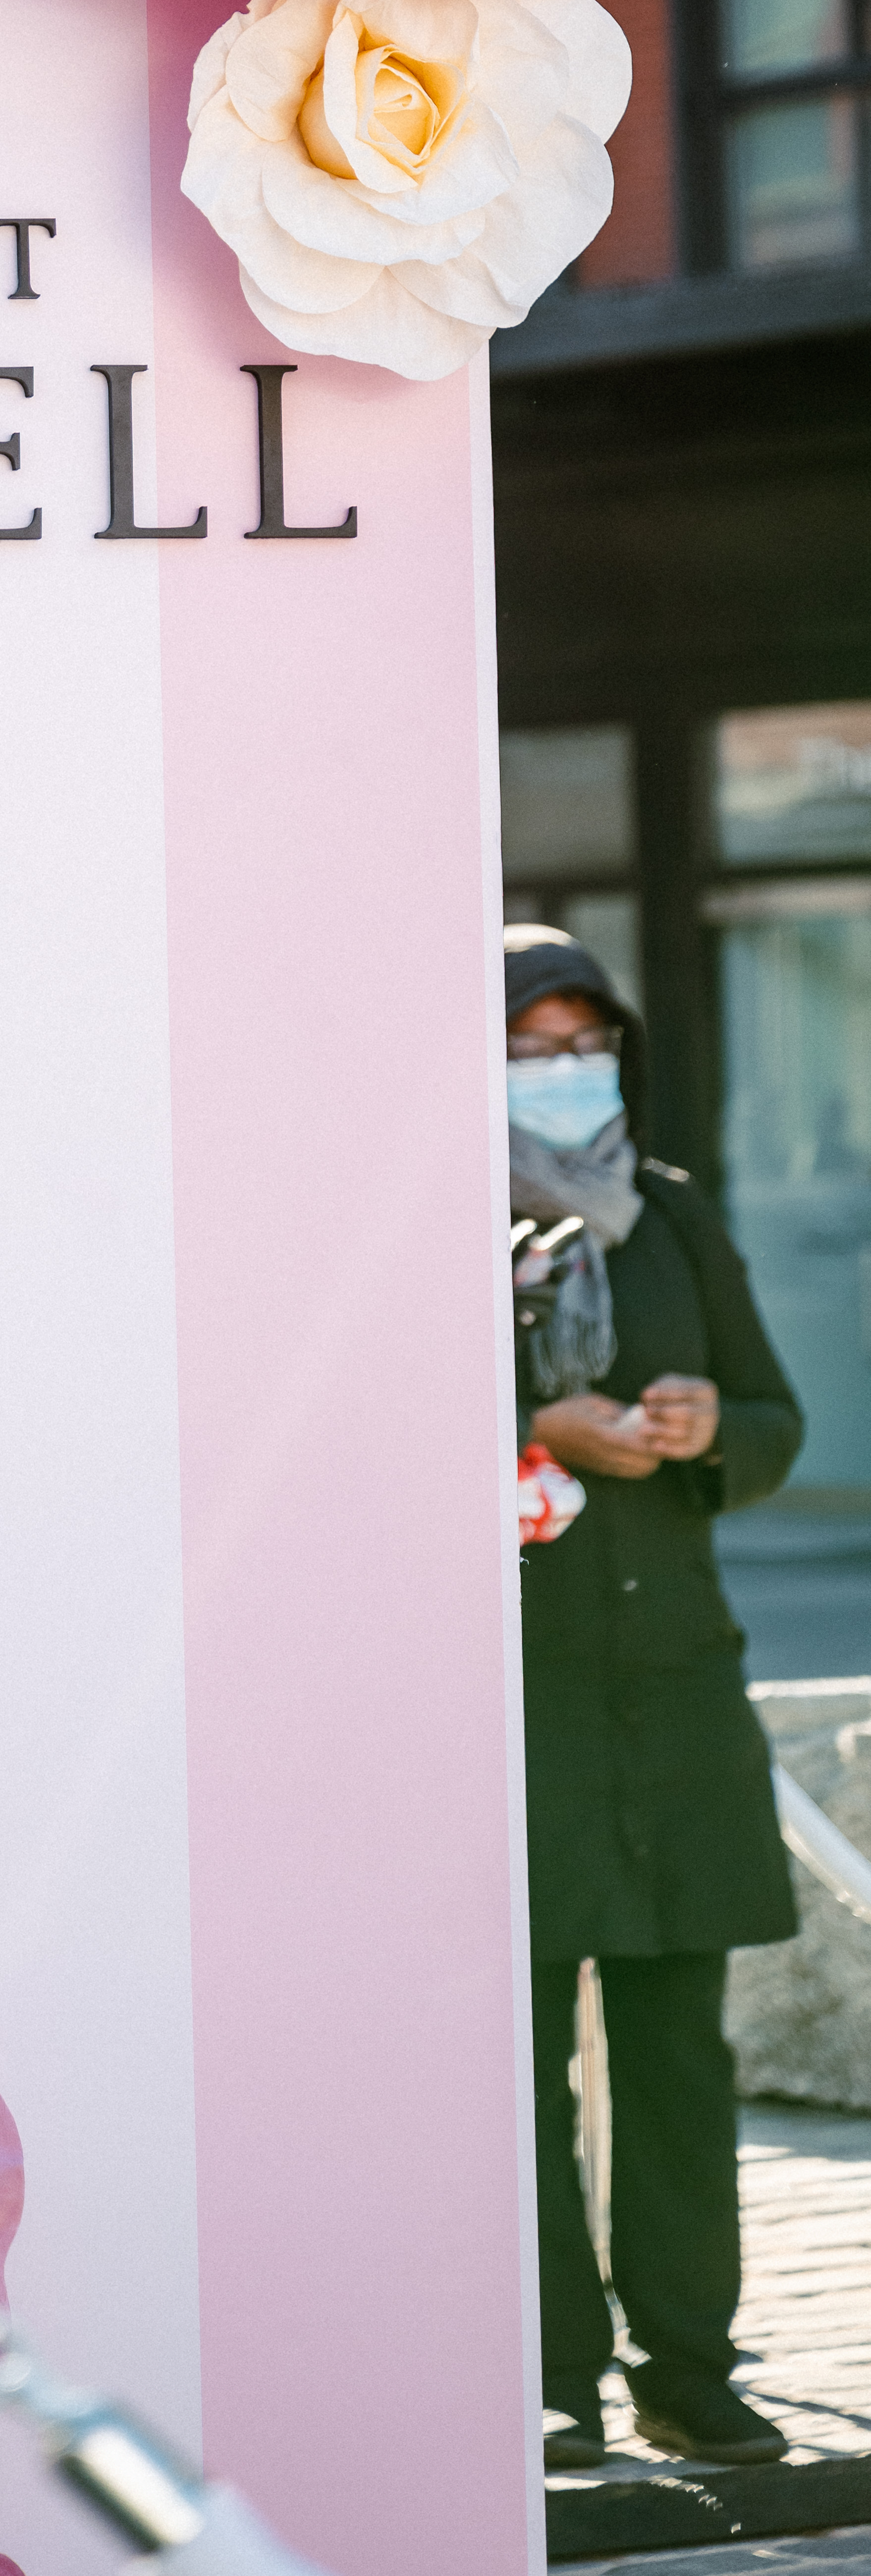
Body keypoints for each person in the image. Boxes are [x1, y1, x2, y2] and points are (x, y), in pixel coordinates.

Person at [507, 922, 803, 2473]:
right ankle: (546, 2372)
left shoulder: (667, 1213)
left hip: (676, 1698)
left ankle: (688, 2369)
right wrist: (530, 1418)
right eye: (527, 1045)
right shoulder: (426, 1211)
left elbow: (771, 1415)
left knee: (680, 2056)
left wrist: (700, 1426)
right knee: (520, 2060)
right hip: (524, 1700)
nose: (563, 1073)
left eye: (581, 1042)